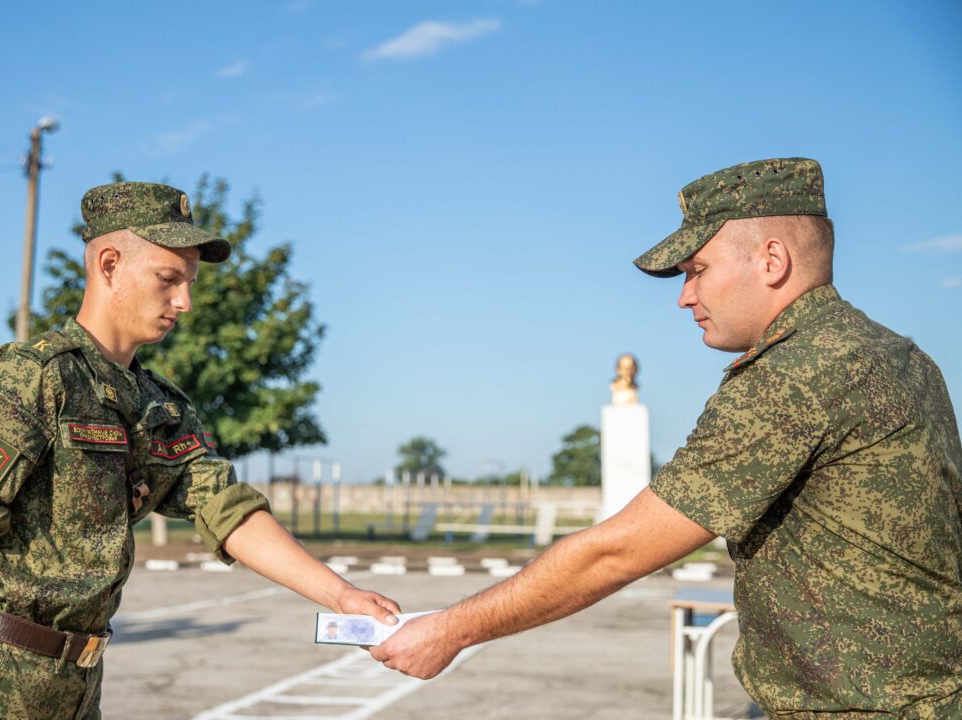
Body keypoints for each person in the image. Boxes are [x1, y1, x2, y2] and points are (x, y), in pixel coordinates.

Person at [371, 158, 962, 717]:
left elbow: (618, 552)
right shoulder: (900, 357)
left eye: (697, 271)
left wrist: (450, 630)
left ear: (772, 260)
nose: (685, 297)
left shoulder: (798, 373)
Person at [0, 181, 400, 719]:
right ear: (109, 264)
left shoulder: (158, 406)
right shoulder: (31, 381)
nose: (184, 302)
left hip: (78, 687)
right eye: (168, 279)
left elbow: (226, 509)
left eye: (189, 283)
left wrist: (341, 596)